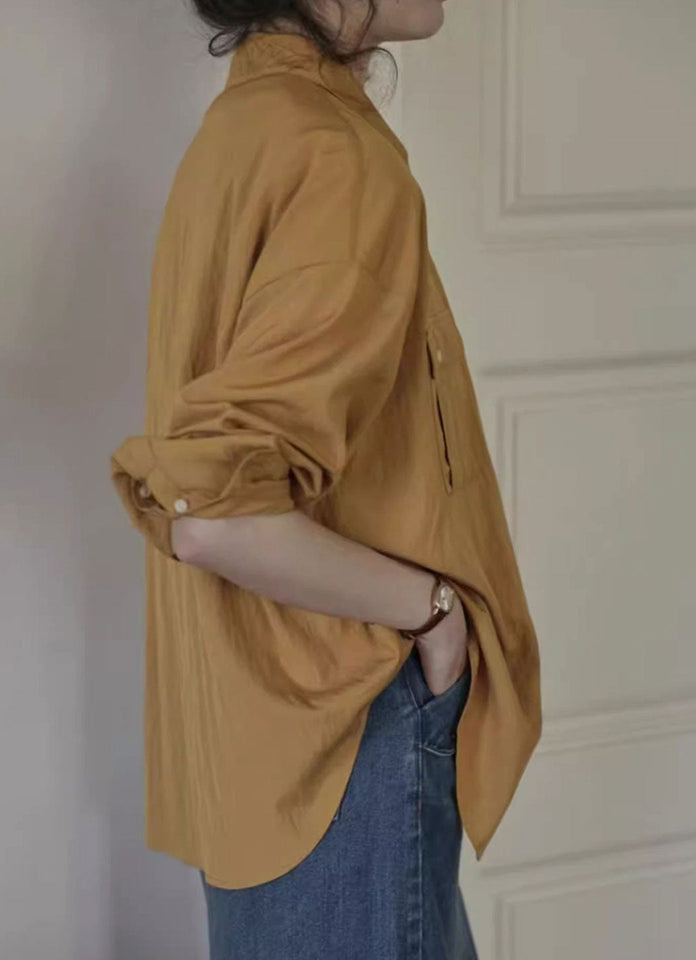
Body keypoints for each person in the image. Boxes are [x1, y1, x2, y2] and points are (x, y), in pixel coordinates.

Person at [109, 1, 542, 957]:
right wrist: (434, 611)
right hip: (345, 740)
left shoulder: (244, 124)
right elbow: (213, 517)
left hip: (265, 743)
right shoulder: (335, 155)